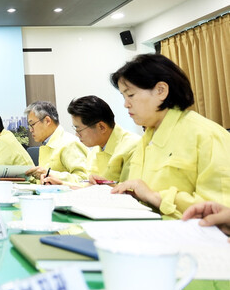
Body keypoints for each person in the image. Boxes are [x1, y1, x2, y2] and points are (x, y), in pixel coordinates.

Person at [109, 54, 230, 218]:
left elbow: (221, 211)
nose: (126, 104)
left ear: (161, 91)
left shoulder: (207, 135)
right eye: (123, 97)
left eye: (130, 95)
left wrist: (156, 197)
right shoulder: (147, 139)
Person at [66, 95, 140, 183]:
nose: (77, 135)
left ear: (101, 127)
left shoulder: (132, 146)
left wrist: (105, 185)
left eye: (79, 130)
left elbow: (132, 188)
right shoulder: (96, 149)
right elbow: (86, 182)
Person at [23, 101, 88, 183]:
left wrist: (49, 174)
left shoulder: (69, 143)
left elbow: (83, 179)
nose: (31, 130)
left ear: (47, 121)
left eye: (32, 124)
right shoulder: (46, 144)